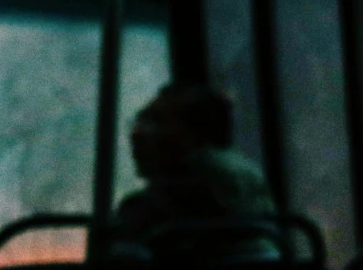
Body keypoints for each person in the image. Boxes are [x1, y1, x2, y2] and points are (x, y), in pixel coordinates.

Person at [112, 84, 277, 248]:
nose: (137, 133)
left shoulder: (195, 185)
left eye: (155, 121)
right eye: (141, 121)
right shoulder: (247, 179)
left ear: (198, 131)